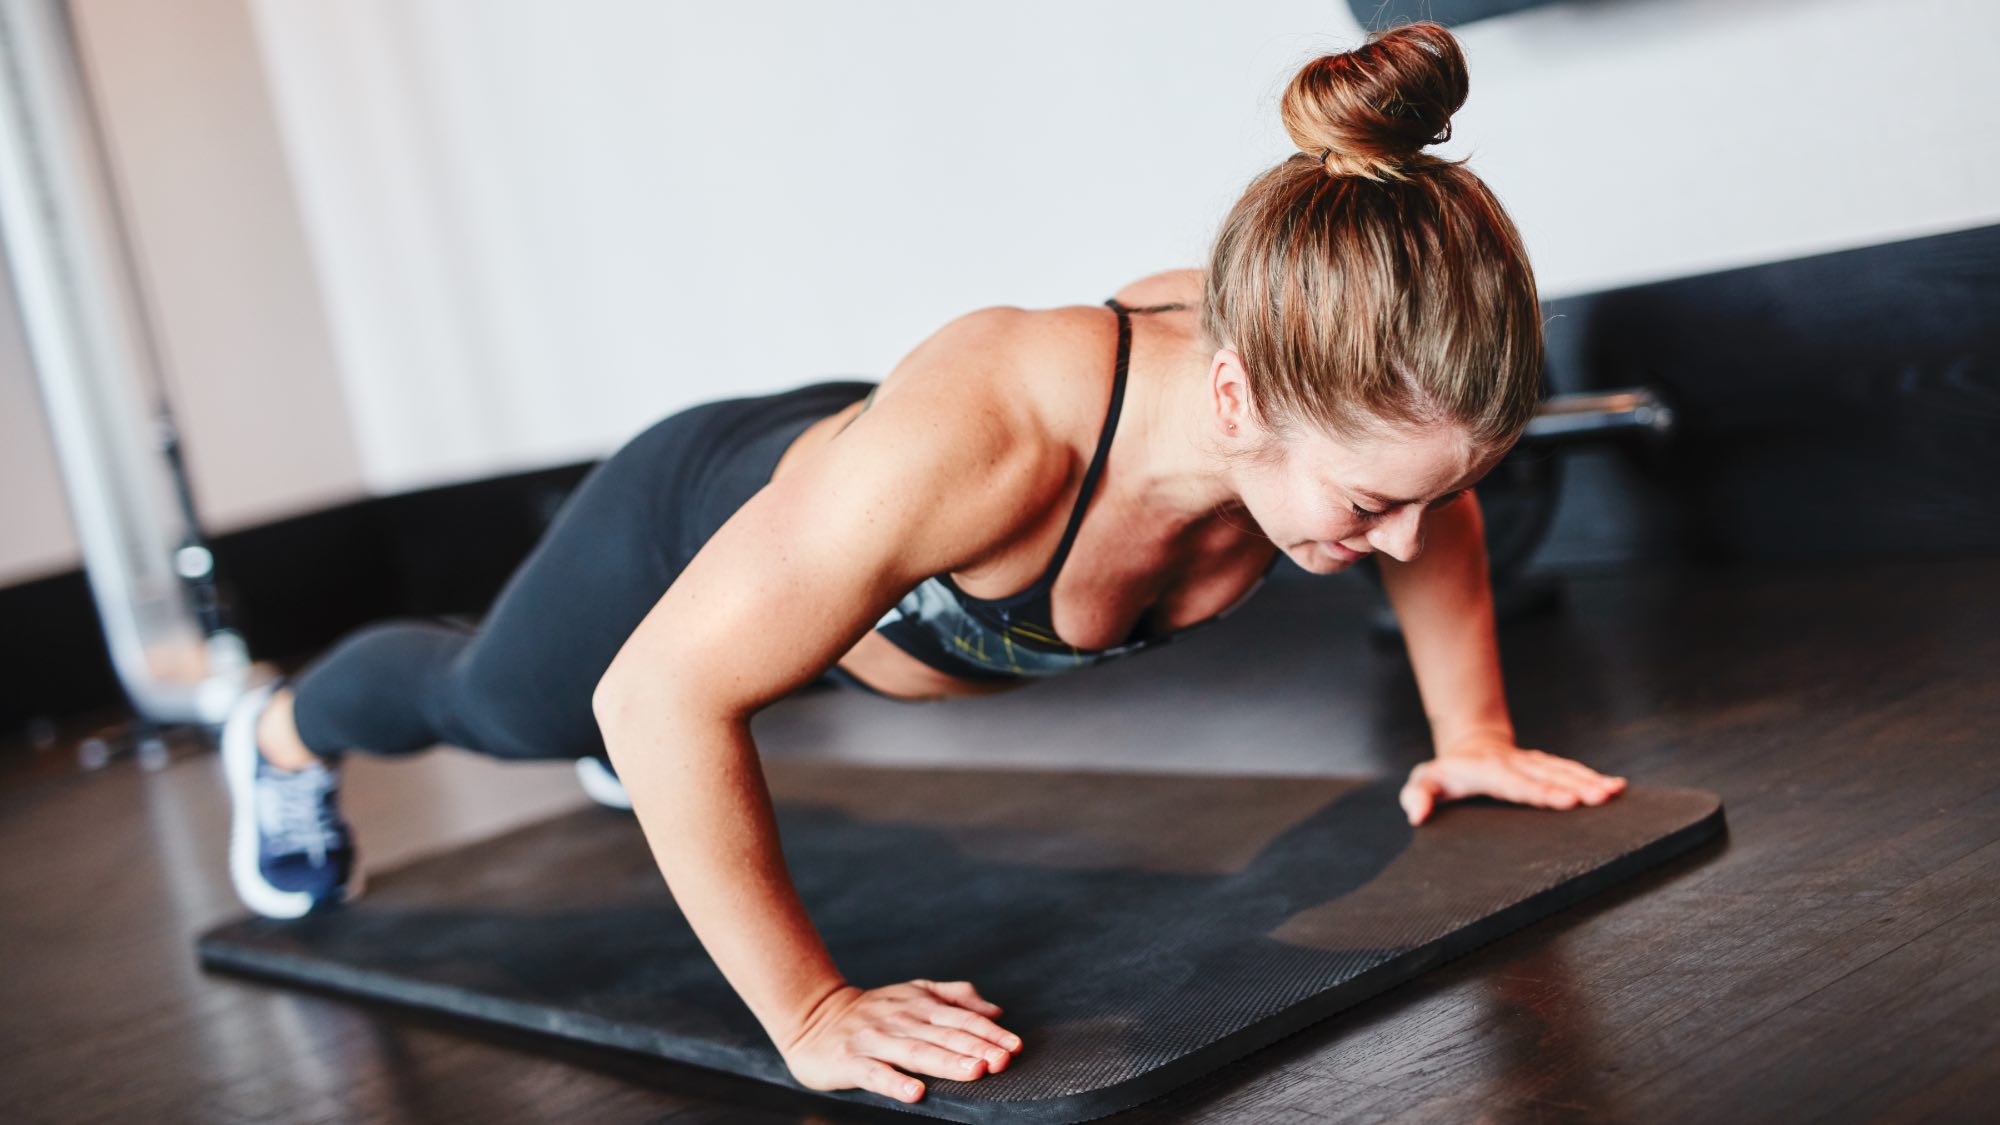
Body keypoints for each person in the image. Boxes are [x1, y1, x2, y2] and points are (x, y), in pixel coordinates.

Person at [217, 21, 1626, 1106]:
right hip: (694, 508)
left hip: (862, 487)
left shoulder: (1321, 359)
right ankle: (277, 730)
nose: (1403, 535)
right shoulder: (1002, 432)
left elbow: (1426, 503)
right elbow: (654, 697)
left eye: (1427, 497)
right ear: (1239, 402)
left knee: (696, 685)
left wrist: (1474, 732)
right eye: (1370, 501)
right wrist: (813, 1010)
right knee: (507, 707)